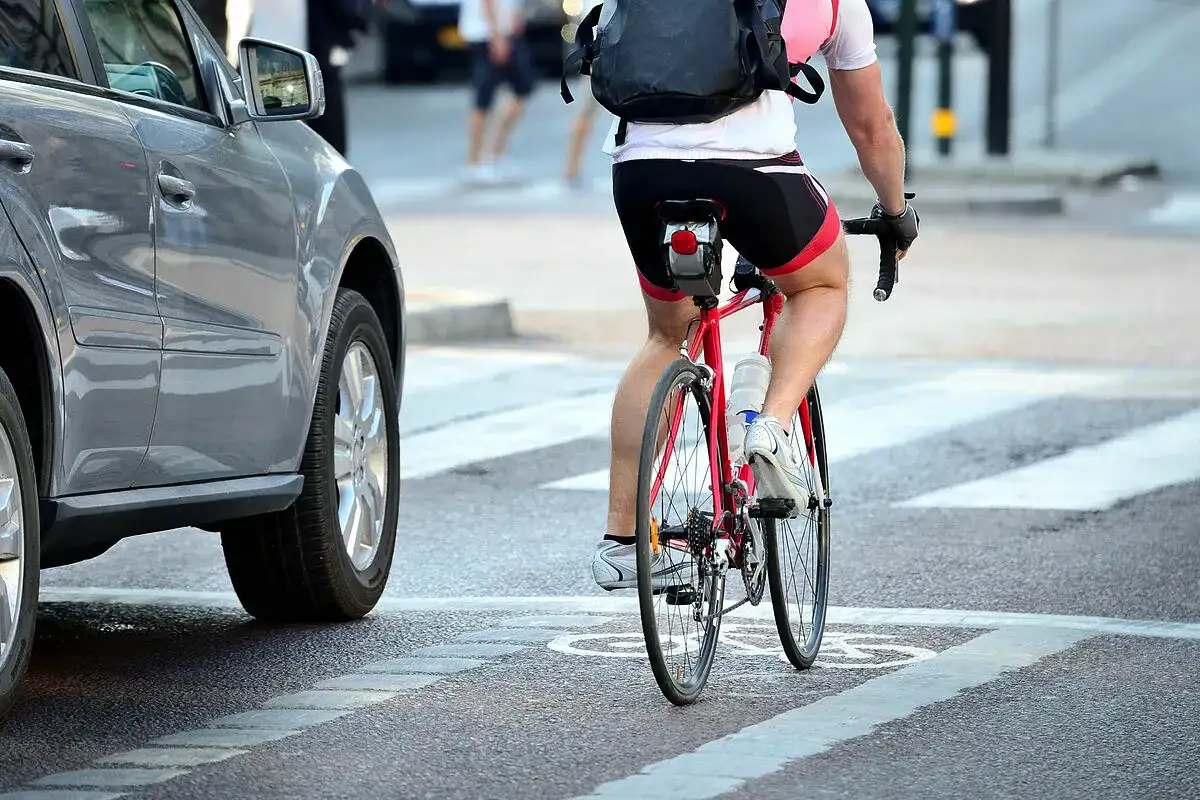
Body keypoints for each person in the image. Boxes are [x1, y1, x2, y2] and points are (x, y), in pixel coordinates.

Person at [588, 0, 921, 589]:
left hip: (642, 170)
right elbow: (872, 128)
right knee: (820, 283)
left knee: (668, 335)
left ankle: (621, 540)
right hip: (752, 172)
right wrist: (896, 212)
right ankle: (770, 426)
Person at [248, 0, 371, 157]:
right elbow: (348, 11)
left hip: (272, 54)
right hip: (296, 56)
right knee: (319, 146)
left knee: (284, 139)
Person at [458, 0, 535, 184]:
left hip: (504, 33)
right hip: (487, 36)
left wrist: (514, 18)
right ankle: (474, 161)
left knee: (522, 88)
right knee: (483, 100)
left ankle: (495, 154)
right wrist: (496, 35)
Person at [562, 0, 603, 189]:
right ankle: (571, 170)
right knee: (583, 118)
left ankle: (572, 170)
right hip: (601, 62)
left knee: (584, 118)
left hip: (602, 61)